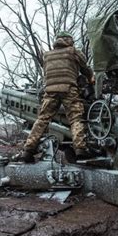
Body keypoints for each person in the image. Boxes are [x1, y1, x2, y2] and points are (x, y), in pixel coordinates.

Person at [22, 31, 95, 163]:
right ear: (69, 40)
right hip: (69, 89)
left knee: (42, 119)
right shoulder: (73, 52)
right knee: (75, 118)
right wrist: (91, 79)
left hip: (50, 90)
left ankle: (28, 151)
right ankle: (80, 150)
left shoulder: (47, 55)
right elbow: (86, 68)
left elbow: (46, 74)